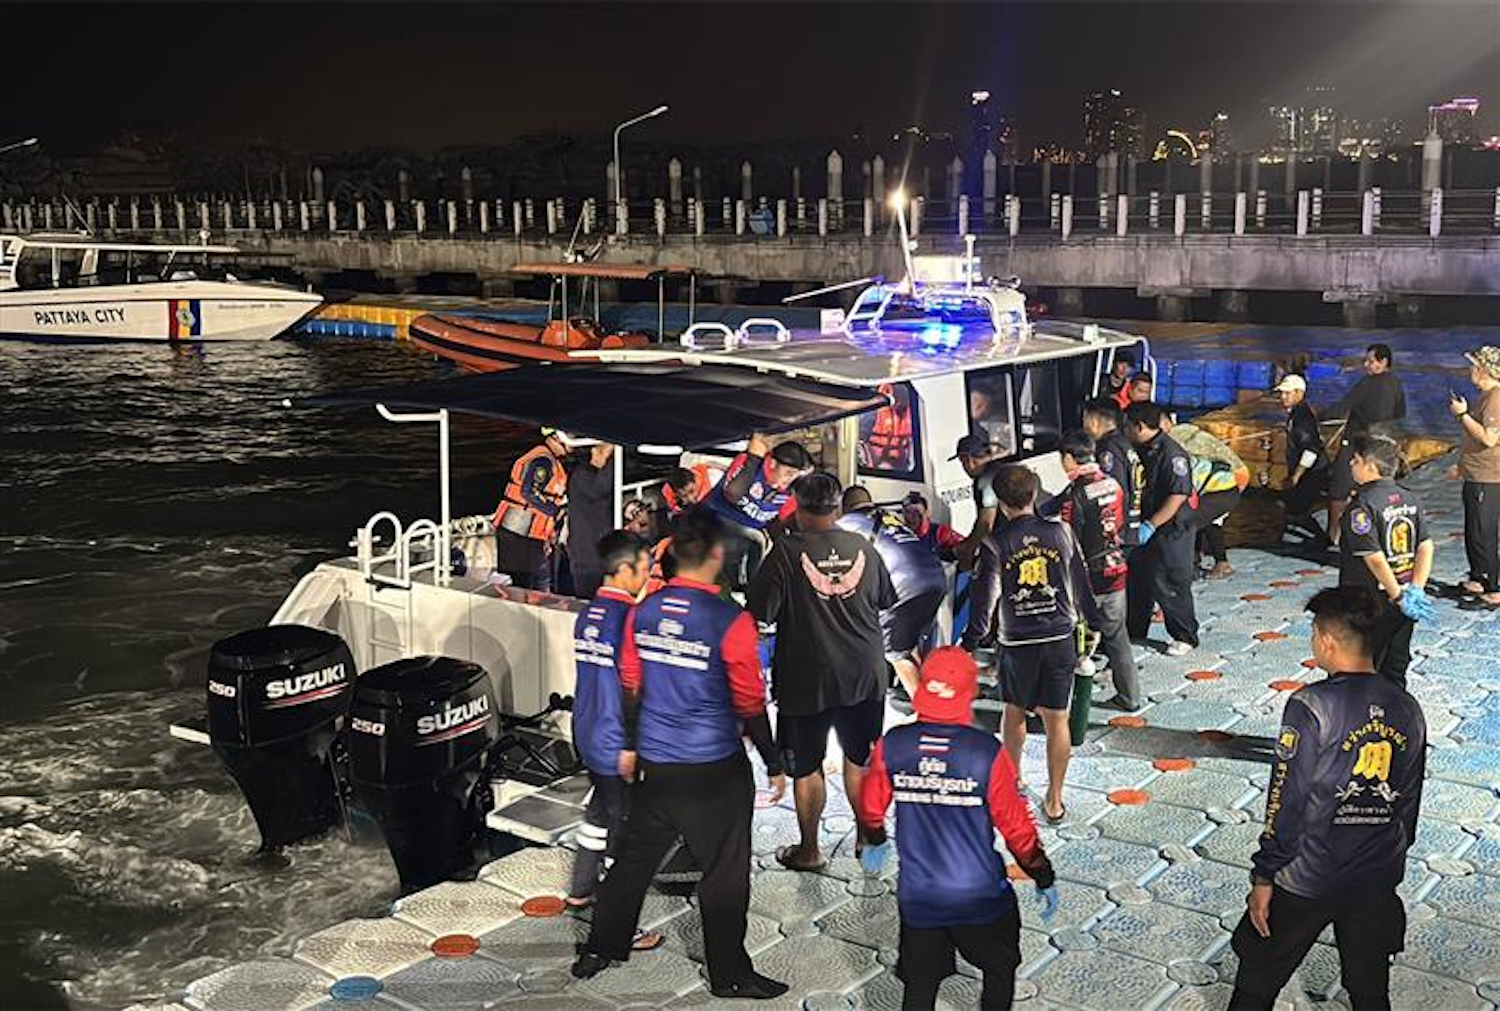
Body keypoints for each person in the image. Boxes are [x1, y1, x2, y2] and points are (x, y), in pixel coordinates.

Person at [572, 511, 789, 1000]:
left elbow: (630, 684)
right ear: (716, 556)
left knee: (632, 861)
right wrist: (773, 762)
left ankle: (598, 949)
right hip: (714, 769)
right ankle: (729, 973)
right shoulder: (730, 620)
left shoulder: (644, 611)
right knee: (725, 873)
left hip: (657, 765)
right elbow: (750, 699)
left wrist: (630, 745)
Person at [1229, 585, 1427, 1011]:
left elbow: (1286, 800)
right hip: (1374, 880)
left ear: (1326, 640)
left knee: (1256, 983)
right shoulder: (1407, 706)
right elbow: (1409, 801)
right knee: (1371, 992)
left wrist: (1264, 877)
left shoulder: (1310, 705)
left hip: (1306, 877)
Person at [857, 647, 1059, 1010]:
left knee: (920, 984)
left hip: (920, 895)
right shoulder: (986, 751)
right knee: (1000, 969)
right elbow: (1016, 828)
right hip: (980, 895)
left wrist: (875, 838)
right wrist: (1041, 872)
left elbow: (871, 808)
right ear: (970, 693)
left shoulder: (894, 745)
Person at [747, 472, 895, 872]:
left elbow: (759, 613)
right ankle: (866, 838)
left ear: (797, 504)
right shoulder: (862, 545)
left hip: (805, 678)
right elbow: (884, 599)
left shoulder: (784, 552)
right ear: (838, 507)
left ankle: (810, 851)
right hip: (865, 674)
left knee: (807, 765)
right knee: (859, 758)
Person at [963, 465, 1101, 824]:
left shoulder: (995, 544)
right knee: (1058, 719)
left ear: (1001, 502)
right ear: (1034, 493)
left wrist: (971, 642)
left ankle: (1013, 781)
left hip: (1018, 642)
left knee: (1014, 712)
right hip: (1059, 638)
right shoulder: (1062, 533)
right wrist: (1094, 622)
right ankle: (1055, 800)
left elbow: (985, 601)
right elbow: (1080, 583)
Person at [565, 530, 664, 956]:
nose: (647, 576)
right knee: (624, 833)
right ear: (623, 570)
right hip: (615, 738)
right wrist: (632, 743)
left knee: (598, 811)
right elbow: (632, 687)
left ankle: (581, 889)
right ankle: (622, 927)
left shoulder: (588, 614)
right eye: (643, 568)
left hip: (586, 730)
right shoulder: (630, 619)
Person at [1051, 431, 1140, 712]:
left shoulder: (1076, 494)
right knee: (1117, 637)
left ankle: (1064, 702)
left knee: (1071, 638)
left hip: (1088, 577)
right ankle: (1130, 697)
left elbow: (1069, 540)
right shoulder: (1113, 484)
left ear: (1068, 457)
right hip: (1117, 568)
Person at [1338, 434, 1436, 686]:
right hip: (1402, 597)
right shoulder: (1409, 498)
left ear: (1370, 465)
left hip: (1368, 600)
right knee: (1396, 663)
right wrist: (1415, 589)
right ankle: (1396, 717)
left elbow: (1374, 558)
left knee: (1359, 664)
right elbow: (1425, 546)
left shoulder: (1362, 506)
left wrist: (1398, 596)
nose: (1351, 464)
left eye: (1356, 460)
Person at [839, 485, 948, 698]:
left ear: (845, 507)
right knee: (909, 645)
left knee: (894, 653)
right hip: (936, 579)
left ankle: (926, 712)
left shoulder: (848, 523)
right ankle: (934, 697)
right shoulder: (889, 518)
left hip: (905, 587)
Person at [1125, 402, 1200, 656]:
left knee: (1170, 580)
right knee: (1139, 579)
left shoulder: (1171, 453)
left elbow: (1177, 495)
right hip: (1146, 522)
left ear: (1139, 426)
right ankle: (1135, 629)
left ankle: (1184, 635)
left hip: (1171, 527)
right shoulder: (1141, 449)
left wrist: (1151, 524)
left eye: (1128, 425)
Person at [703, 434, 813, 586]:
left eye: (793, 476)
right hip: (713, 520)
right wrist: (753, 459)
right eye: (788, 473)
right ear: (773, 463)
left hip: (749, 538)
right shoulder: (751, 465)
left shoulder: (790, 491)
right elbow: (732, 494)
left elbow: (784, 523)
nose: (789, 479)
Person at [1327, 343, 1407, 547]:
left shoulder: (1368, 383)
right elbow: (1400, 412)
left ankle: (1333, 536)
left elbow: (1345, 405)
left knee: (1338, 489)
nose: (1366, 365)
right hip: (1382, 443)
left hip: (1358, 440)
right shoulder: (1396, 383)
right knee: (1374, 488)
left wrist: (1318, 416)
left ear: (1383, 362)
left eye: (1370, 361)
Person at [1168, 419, 1250, 580]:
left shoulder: (1176, 447)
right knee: (1208, 522)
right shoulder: (1185, 442)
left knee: (1188, 521)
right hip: (1223, 485)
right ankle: (1204, 560)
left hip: (1222, 488)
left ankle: (1197, 564)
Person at [1450, 346, 1500, 606]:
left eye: (1474, 366)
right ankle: (1478, 577)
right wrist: (1461, 466)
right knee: (1473, 530)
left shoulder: (1496, 398)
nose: (1470, 370)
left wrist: (1462, 415)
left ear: (1484, 370)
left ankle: (1494, 587)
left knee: (1485, 531)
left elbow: (1490, 438)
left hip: (1489, 477)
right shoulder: (1485, 396)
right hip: (1475, 473)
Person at [492, 427, 570, 591]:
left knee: (525, 580)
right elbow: (529, 492)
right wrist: (555, 511)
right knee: (519, 581)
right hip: (519, 529)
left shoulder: (548, 459)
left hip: (525, 530)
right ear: (555, 437)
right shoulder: (543, 461)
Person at [1275, 374, 1331, 545]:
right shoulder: (1295, 414)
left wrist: (1296, 475)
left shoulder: (1302, 418)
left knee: (1296, 509)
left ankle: (1322, 540)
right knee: (1289, 504)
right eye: (1282, 393)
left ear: (1299, 393)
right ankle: (1289, 536)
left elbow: (1311, 450)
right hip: (1307, 470)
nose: (1283, 397)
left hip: (1313, 471)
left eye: (1287, 393)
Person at [1083, 397, 1141, 546]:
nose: (1084, 427)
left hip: (1118, 531)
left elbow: (1111, 489)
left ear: (1095, 420)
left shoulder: (1108, 448)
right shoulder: (1123, 443)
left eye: (1086, 420)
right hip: (1130, 524)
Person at [563, 443, 616, 598]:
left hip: (599, 554)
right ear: (595, 451)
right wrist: (614, 461)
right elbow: (600, 488)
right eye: (609, 454)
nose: (610, 459)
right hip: (586, 558)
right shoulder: (582, 476)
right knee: (588, 601)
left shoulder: (592, 477)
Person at [952, 432, 1003, 569]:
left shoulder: (986, 480)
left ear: (968, 459)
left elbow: (986, 523)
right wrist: (968, 542)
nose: (963, 467)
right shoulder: (998, 469)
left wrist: (968, 554)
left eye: (962, 462)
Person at [901, 491, 964, 559]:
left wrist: (944, 553)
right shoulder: (899, 534)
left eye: (917, 512)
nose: (912, 517)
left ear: (927, 513)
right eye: (908, 512)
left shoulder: (940, 532)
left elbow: (964, 547)